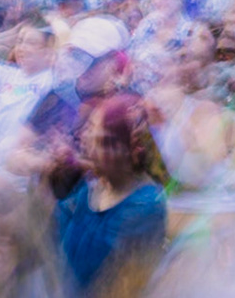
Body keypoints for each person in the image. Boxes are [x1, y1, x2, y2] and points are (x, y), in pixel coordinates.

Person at [53, 95, 168, 297]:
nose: (87, 142)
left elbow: (124, 284)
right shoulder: (87, 191)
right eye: (89, 131)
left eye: (102, 140)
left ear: (127, 151)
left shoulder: (145, 205)